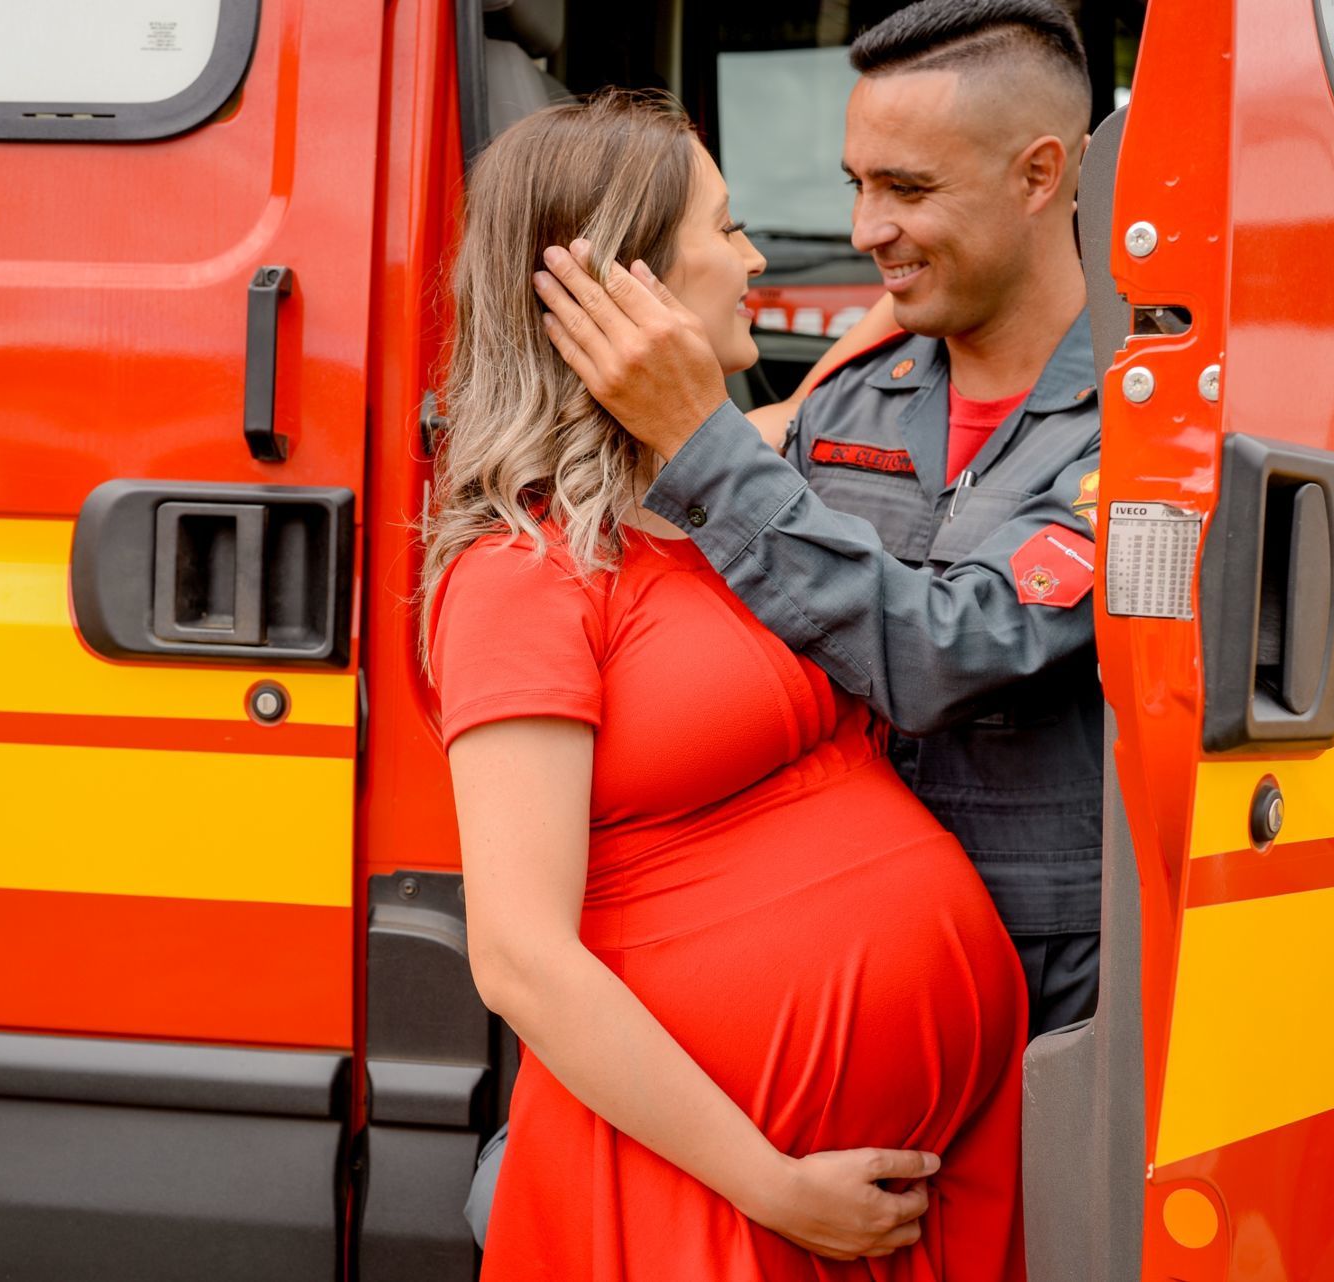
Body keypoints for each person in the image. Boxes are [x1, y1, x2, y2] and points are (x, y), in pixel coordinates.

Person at [426, 91, 1028, 1280]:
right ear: (625, 281)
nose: (757, 258)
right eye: (729, 226)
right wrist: (778, 1186)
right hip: (720, 1191)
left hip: (891, 1177)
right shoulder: (524, 574)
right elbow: (519, 959)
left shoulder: (723, 501)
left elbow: (862, 377)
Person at [534, 0, 1106, 1039]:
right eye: (858, 184)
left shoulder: (1138, 428)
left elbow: (947, 651)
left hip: (1037, 993)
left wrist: (701, 441)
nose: (864, 230)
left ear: (1039, 175)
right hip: (822, 966)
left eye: (907, 188)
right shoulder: (848, 400)